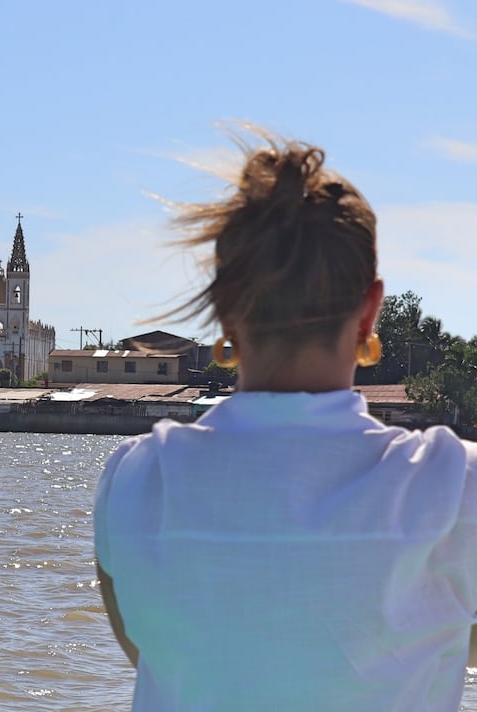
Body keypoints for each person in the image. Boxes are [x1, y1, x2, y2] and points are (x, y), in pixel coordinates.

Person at [94, 131, 477, 710]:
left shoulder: (137, 480)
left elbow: (159, 655)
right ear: (370, 310)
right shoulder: (452, 487)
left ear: (224, 309)